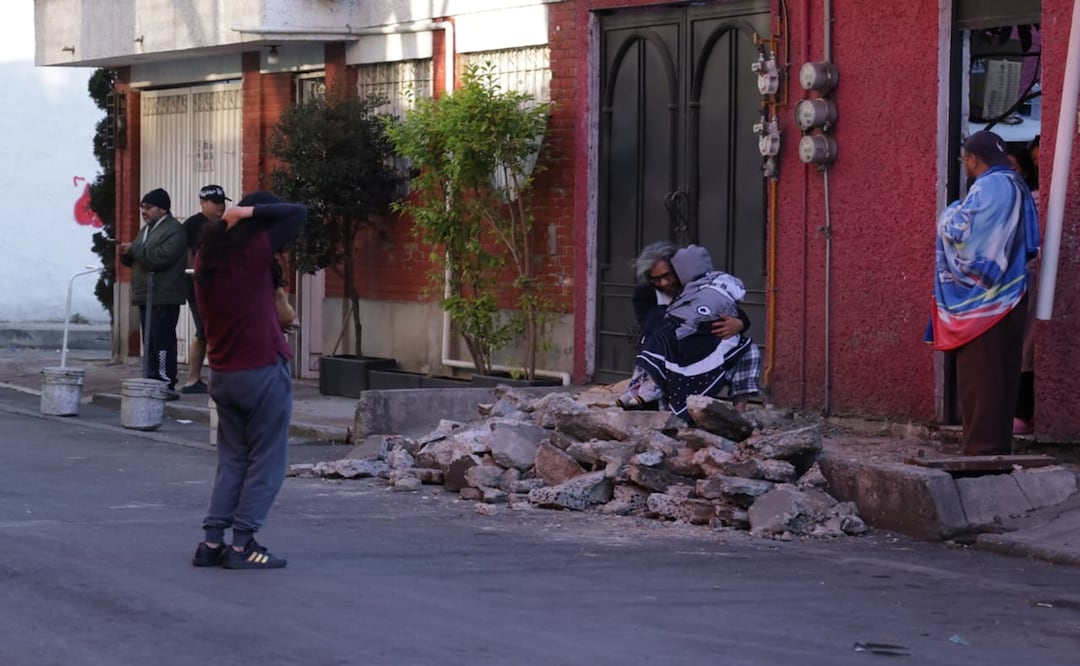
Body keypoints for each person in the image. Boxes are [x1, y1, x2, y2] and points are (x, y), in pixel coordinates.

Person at [191, 191, 306, 570]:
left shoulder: (206, 258)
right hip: (261, 372)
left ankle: (211, 542)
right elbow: (296, 210)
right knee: (266, 462)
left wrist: (229, 219)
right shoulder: (254, 253)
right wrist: (247, 212)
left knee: (233, 459)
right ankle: (242, 547)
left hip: (223, 374)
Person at [933, 130, 1039, 455]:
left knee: (981, 378)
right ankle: (996, 449)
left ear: (972, 159)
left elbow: (961, 232)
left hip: (985, 303)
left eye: (964, 159)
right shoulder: (1018, 186)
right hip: (1012, 295)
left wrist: (949, 211)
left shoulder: (990, 187)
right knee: (1003, 376)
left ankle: (980, 453)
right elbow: (1030, 244)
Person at [619, 243, 760, 419]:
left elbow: (729, 309)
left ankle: (739, 413)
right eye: (655, 279)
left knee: (748, 350)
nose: (662, 283)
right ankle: (664, 410)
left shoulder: (698, 285)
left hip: (704, 343)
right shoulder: (646, 294)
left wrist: (739, 323)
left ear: (678, 269)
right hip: (669, 347)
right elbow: (650, 328)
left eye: (666, 275)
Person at [118, 188, 187, 399]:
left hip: (163, 296)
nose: (144, 212)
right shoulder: (146, 230)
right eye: (142, 207)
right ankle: (150, 377)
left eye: (148, 207)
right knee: (150, 341)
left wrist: (135, 250)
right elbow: (141, 255)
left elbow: (160, 258)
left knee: (163, 341)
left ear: (163, 208)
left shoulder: (174, 230)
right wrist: (126, 254)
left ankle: (166, 381)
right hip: (146, 295)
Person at [179, 185, 231, 394]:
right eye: (215, 202)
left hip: (219, 286)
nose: (221, 206)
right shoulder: (193, 225)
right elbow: (187, 255)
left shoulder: (224, 225)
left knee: (210, 332)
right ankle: (193, 379)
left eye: (222, 202)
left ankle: (202, 378)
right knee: (204, 331)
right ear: (203, 203)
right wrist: (195, 278)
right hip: (198, 286)